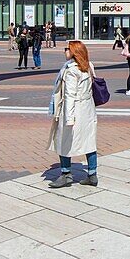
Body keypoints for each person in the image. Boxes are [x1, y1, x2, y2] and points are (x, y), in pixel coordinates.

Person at [47, 40, 98, 188]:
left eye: (67, 49)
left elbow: (69, 95)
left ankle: (66, 174)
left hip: (74, 109)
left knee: (64, 140)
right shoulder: (88, 65)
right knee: (89, 141)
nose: (64, 51)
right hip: (88, 108)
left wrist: (68, 118)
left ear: (74, 52)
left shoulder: (71, 71)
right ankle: (92, 174)